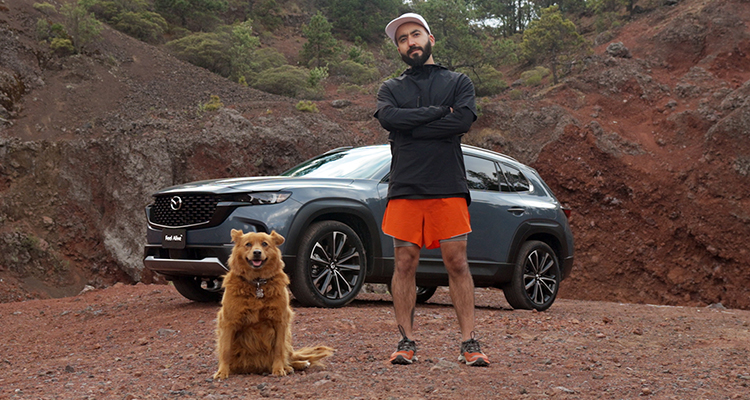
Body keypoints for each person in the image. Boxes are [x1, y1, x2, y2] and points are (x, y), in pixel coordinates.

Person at [374, 13, 489, 367]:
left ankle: (469, 342)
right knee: (405, 262)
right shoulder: (390, 88)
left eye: (416, 34)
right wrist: (439, 114)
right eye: (403, 39)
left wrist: (412, 126)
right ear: (399, 48)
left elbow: (463, 120)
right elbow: (389, 119)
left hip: (447, 184)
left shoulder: (458, 81)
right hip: (405, 185)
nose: (410, 42)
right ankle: (405, 341)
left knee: (456, 261)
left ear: (430, 38)